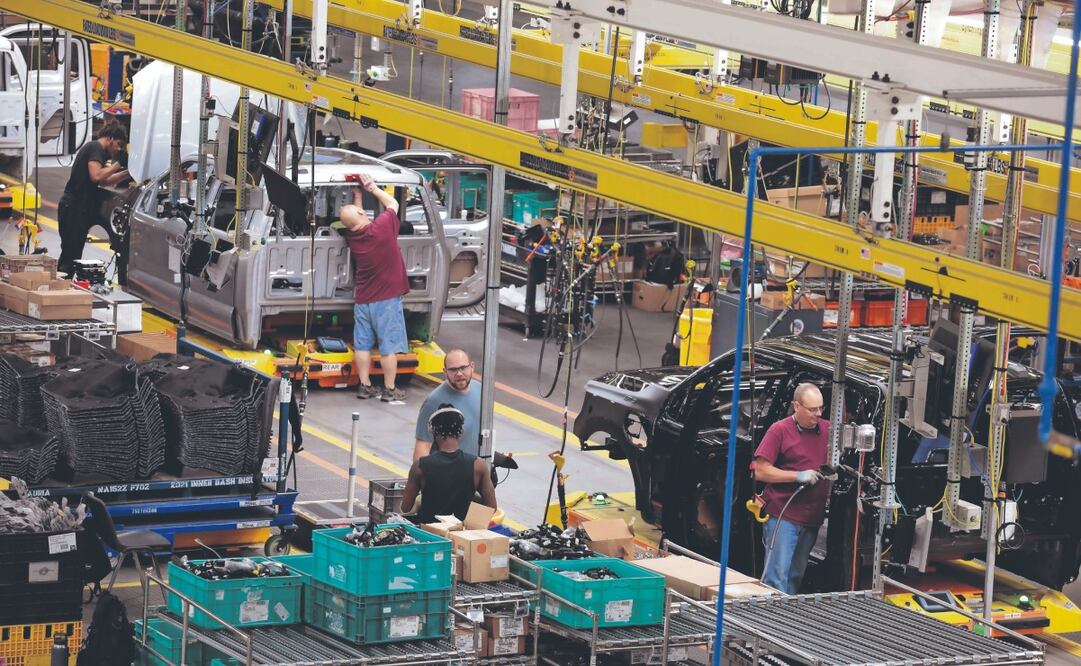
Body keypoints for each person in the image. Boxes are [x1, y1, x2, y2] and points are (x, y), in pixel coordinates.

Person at [752, 382, 830, 595]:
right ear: (796, 406)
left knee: (795, 576)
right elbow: (760, 470)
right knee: (776, 578)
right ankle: (768, 622)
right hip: (783, 516)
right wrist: (797, 476)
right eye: (812, 409)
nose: (818, 414)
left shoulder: (827, 430)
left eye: (820, 408)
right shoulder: (780, 430)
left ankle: (784, 619)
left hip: (811, 518)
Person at [341, 173, 408, 403]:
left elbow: (358, 220)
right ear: (361, 214)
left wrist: (357, 199)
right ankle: (389, 389)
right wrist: (372, 188)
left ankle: (365, 385)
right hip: (386, 300)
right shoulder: (381, 229)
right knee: (388, 348)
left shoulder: (353, 237)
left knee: (363, 345)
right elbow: (393, 204)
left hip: (363, 301)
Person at [401, 404, 497, 524]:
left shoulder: (420, 466)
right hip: (461, 536)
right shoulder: (478, 465)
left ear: (432, 430)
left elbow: (406, 507)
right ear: (461, 431)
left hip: (429, 535)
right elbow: (491, 508)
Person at [58, 123, 129, 275]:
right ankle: (60, 291)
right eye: (118, 144)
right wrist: (118, 164)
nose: (118, 149)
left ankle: (64, 289)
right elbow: (96, 175)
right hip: (73, 207)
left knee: (74, 253)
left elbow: (103, 181)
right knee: (70, 256)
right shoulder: (95, 147)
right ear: (110, 138)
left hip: (79, 208)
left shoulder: (98, 151)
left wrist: (128, 173)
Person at [414, 348, 481, 462]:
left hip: (475, 471)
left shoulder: (481, 390)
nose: (459, 373)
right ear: (445, 372)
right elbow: (423, 446)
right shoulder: (433, 401)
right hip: (448, 474)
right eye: (453, 370)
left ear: (472, 367)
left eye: (463, 368)